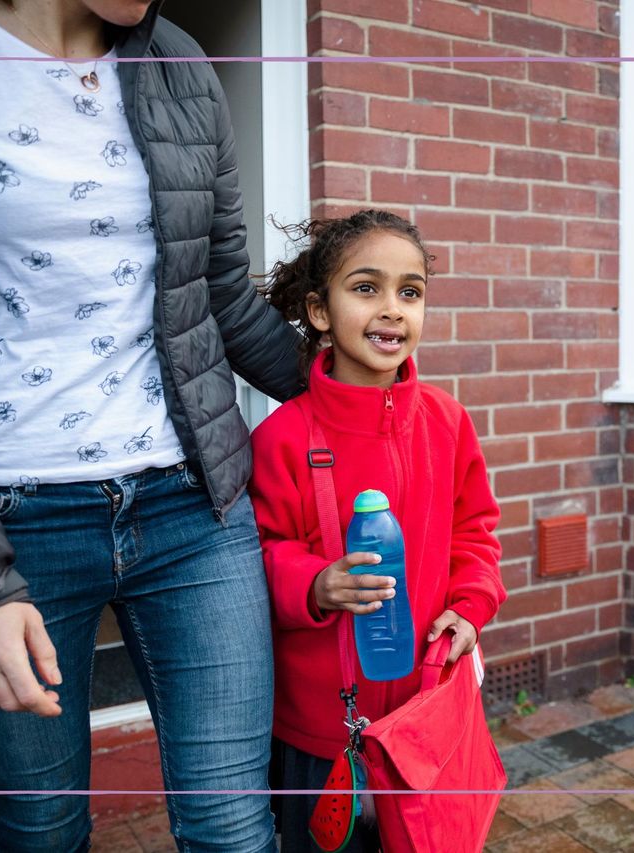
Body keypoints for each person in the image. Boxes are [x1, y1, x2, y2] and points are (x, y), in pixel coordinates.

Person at [0, 0, 301, 849]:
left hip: (197, 509)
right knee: (41, 830)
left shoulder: (177, 61)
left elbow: (222, 295)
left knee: (235, 826)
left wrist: (366, 397)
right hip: (8, 526)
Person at [248, 209, 508, 853]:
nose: (392, 309)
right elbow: (256, 551)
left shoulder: (447, 423)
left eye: (410, 292)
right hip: (320, 735)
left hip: (427, 720)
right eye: (366, 288)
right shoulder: (281, 438)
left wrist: (470, 608)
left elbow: (477, 533)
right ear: (319, 312)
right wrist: (314, 583)